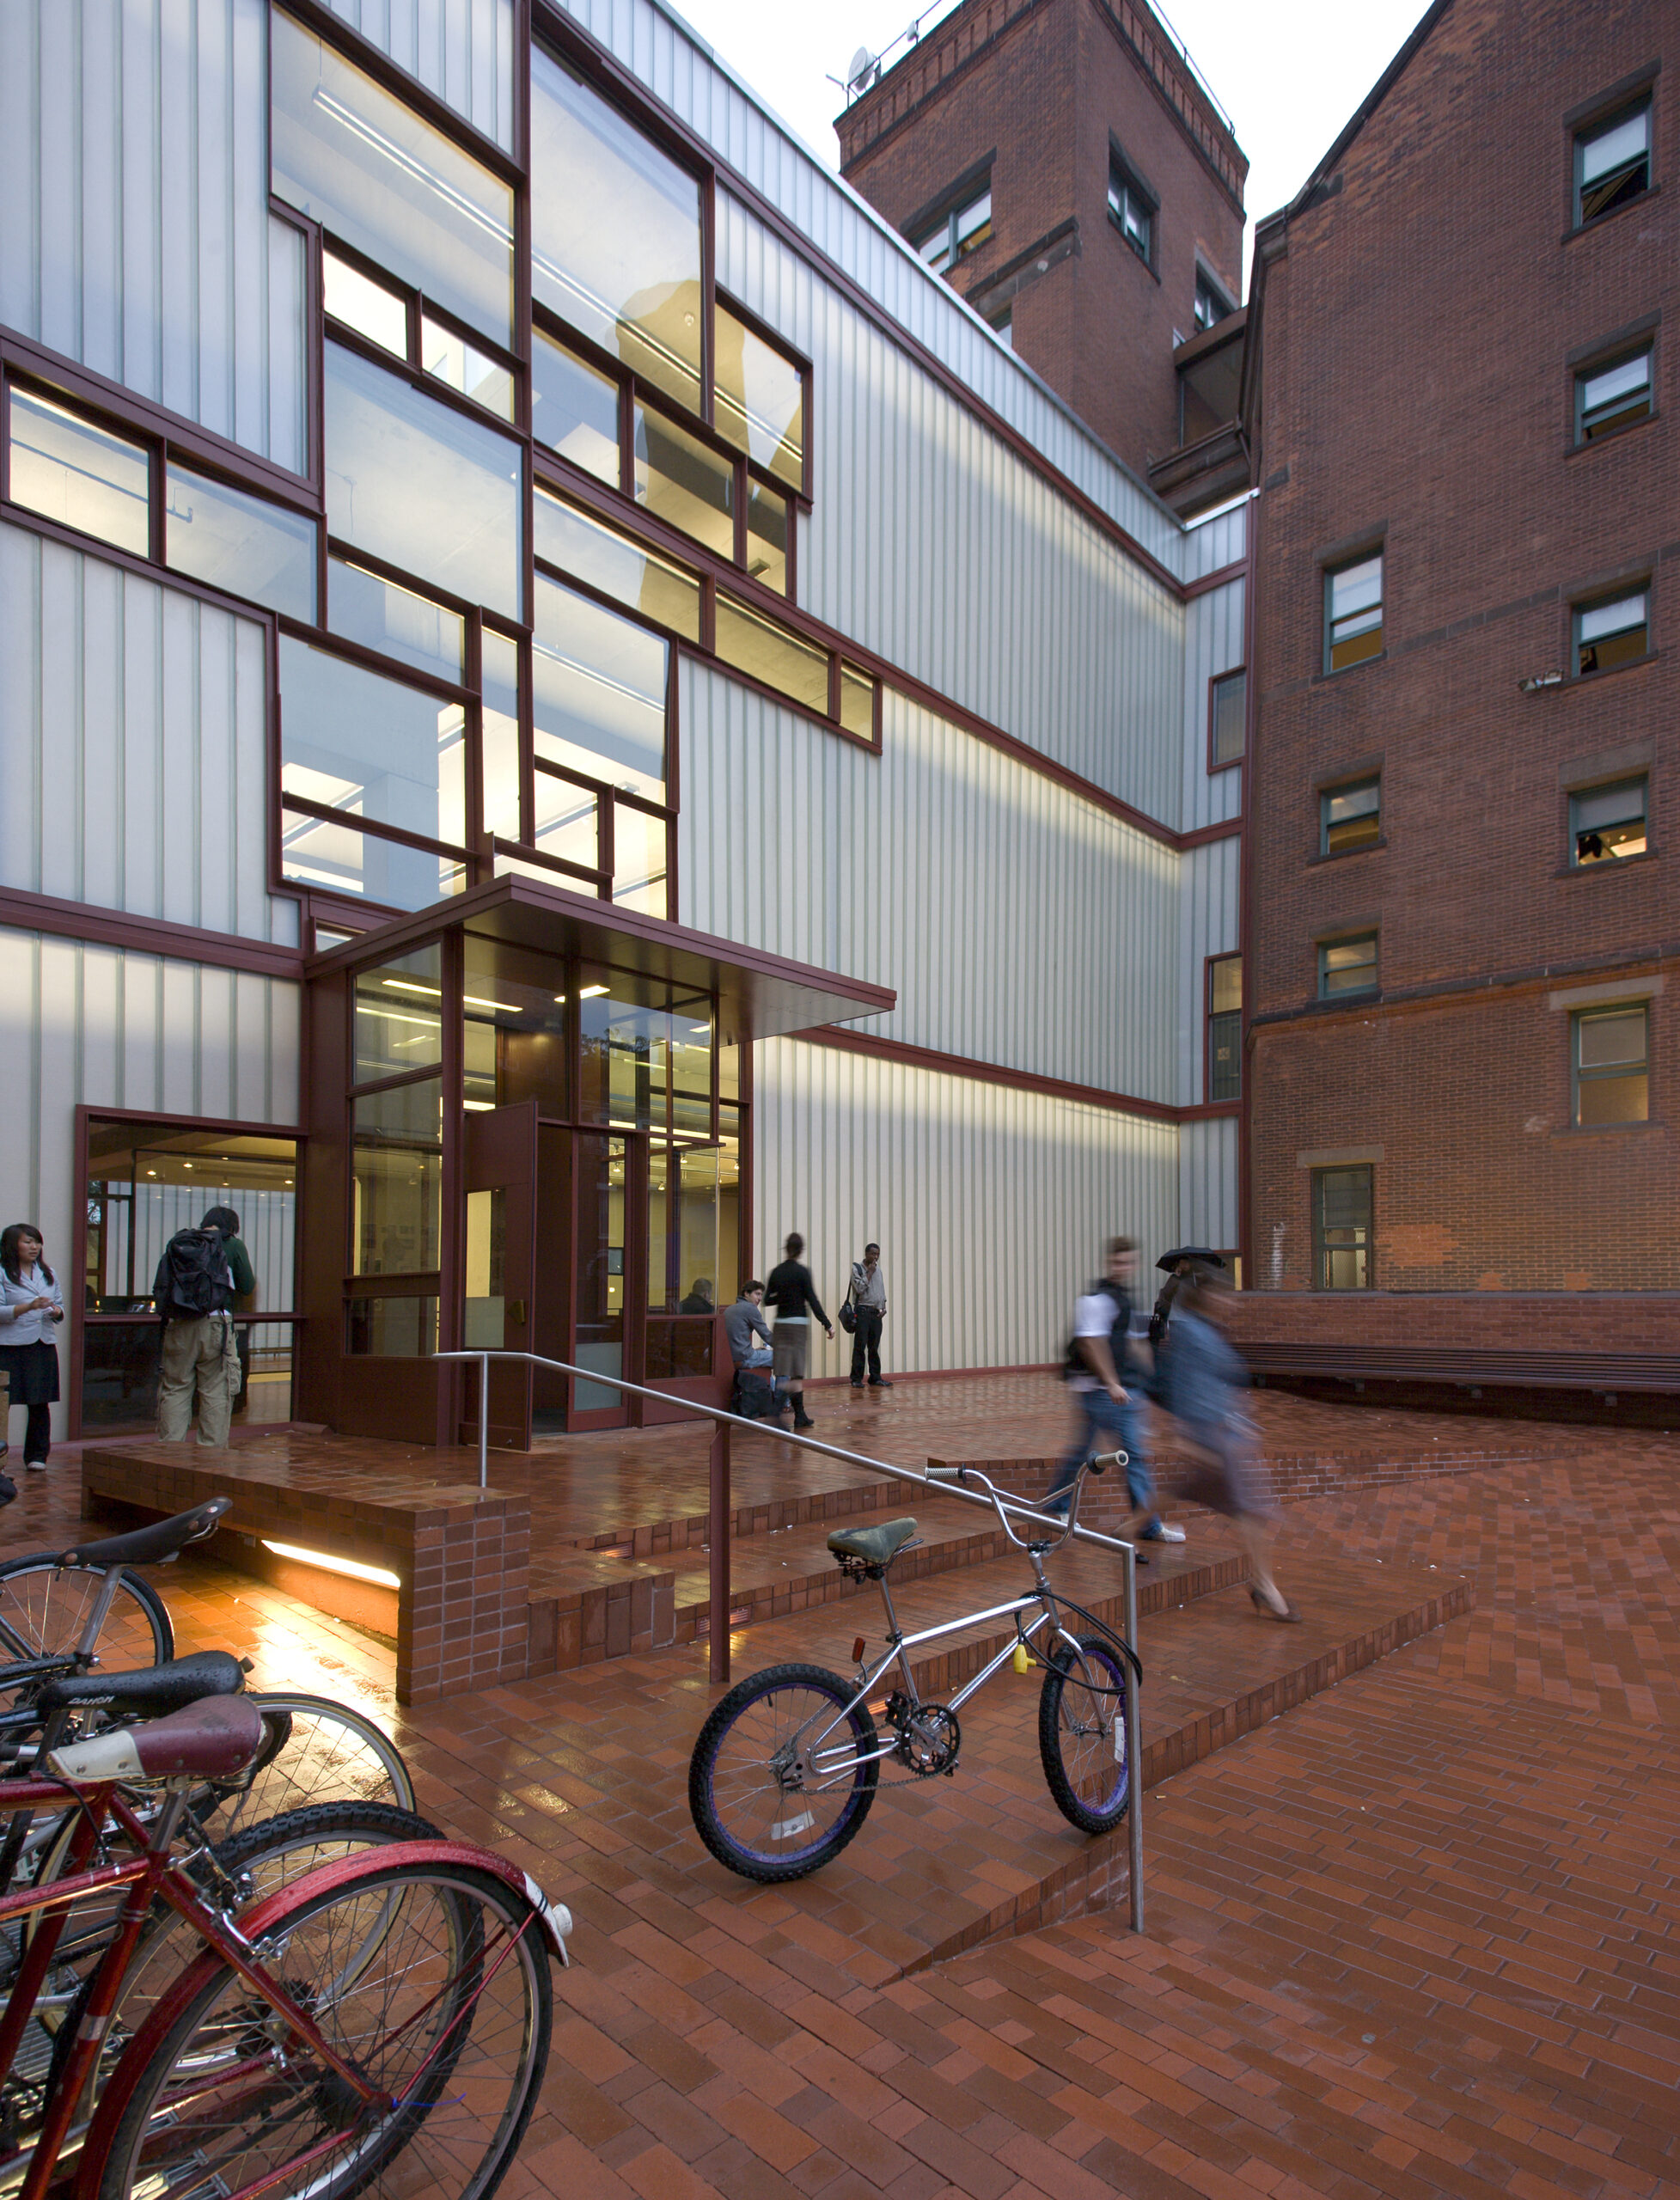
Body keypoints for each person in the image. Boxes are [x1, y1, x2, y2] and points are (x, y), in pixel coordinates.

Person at [1158, 1268, 1298, 1622]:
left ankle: (1129, 1529)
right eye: (1223, 1295)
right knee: (1249, 1509)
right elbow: (1186, 1383)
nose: (1229, 1302)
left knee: (1188, 1489)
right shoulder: (1192, 1332)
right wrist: (1187, 1432)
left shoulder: (1208, 1331)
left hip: (1224, 1433)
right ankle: (1266, 1587)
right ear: (1206, 1297)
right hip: (1213, 1434)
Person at [1044, 1235, 1183, 1544]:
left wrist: (1149, 1381)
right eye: (1119, 1261)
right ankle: (1147, 1524)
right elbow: (1091, 1343)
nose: (1124, 1267)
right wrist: (1112, 1384)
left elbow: (1132, 1343)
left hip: (1114, 1390)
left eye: (1129, 1262)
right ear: (1110, 1262)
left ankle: (1055, 1506)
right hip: (1102, 1391)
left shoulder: (1122, 1298)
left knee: (1083, 1451)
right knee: (1134, 1455)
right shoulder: (1096, 1298)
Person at [152, 1206, 254, 1448]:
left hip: (179, 1323)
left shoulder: (180, 1242)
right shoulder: (232, 1245)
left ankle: (169, 1450)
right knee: (215, 1389)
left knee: (176, 1387)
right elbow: (247, 1285)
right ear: (232, 1226)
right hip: (215, 1324)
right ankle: (212, 1454)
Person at [0, 1223, 65, 1485]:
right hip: (10, 1345)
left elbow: (59, 1303)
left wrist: (56, 1311)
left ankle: (37, 1456)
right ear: (12, 1244)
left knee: (40, 1401)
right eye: (28, 1242)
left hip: (42, 1343)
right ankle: (1, 1457)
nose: (34, 1247)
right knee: (4, 1403)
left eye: (37, 1242)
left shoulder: (48, 1273)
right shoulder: (3, 1272)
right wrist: (28, 1306)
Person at [763, 1232, 833, 1432]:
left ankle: (797, 1415)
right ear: (801, 1250)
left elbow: (767, 1300)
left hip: (780, 1324)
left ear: (785, 1248)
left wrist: (784, 1296)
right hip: (797, 1325)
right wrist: (827, 1324)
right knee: (796, 1374)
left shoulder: (776, 1272)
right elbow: (812, 1300)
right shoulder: (803, 1272)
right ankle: (779, 1413)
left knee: (783, 1370)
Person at [724, 1281, 779, 1415]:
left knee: (765, 1360)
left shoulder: (730, 1309)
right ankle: (783, 1402)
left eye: (761, 1295)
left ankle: (770, 1398)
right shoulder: (750, 1308)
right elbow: (766, 1335)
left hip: (731, 1357)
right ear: (746, 1294)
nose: (759, 1298)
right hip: (744, 1358)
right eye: (757, 1294)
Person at [846, 1243, 891, 1389]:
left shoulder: (879, 1270)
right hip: (863, 1312)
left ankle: (875, 1377)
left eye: (878, 1254)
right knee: (860, 1347)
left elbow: (881, 1290)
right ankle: (856, 1379)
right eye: (873, 1254)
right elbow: (859, 1288)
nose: (875, 1257)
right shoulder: (857, 1269)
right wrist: (869, 1273)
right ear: (866, 1254)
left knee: (874, 1347)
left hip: (876, 1314)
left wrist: (883, 1307)